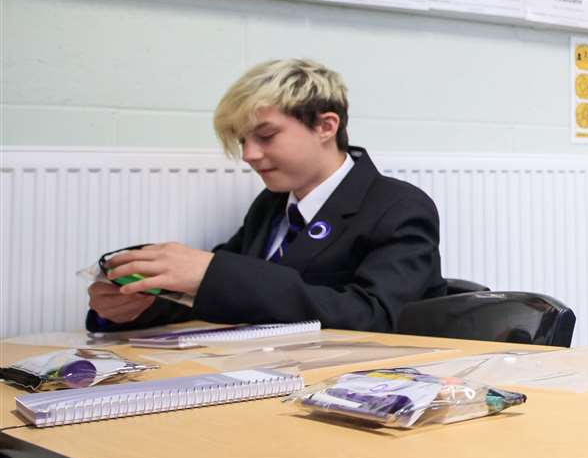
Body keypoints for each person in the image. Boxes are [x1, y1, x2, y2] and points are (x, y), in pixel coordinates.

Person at [86, 58, 444, 332]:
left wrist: (214, 273)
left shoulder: (398, 207)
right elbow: (224, 295)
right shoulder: (271, 205)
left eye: (266, 136)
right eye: (243, 140)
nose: (249, 155)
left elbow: (377, 316)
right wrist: (140, 303)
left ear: (325, 126)